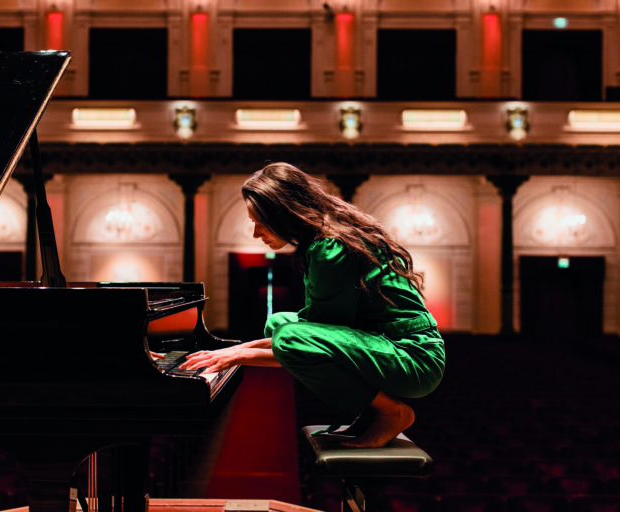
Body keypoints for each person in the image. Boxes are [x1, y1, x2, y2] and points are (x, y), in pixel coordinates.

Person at [180, 162, 445, 448]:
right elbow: (313, 332)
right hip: (389, 348)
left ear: (283, 214)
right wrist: (231, 351)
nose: (256, 234)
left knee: (288, 335)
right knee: (279, 323)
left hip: (413, 358)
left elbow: (301, 343)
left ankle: (392, 413)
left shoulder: (330, 248)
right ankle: (370, 411)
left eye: (260, 222)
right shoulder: (324, 240)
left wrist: (235, 357)